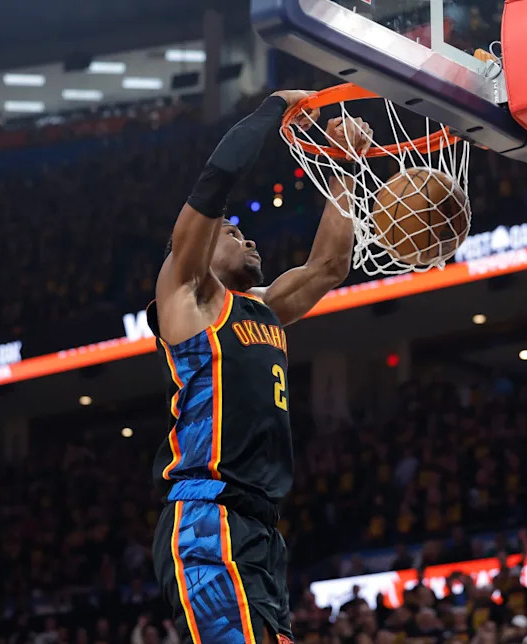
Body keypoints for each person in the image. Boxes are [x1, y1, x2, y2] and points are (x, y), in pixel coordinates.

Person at [147, 89, 373, 644]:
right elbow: (215, 182)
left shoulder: (264, 308)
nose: (245, 235)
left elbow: (328, 265)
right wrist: (273, 109)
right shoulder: (191, 298)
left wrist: (344, 165)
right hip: (208, 517)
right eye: (230, 232)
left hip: (260, 528)